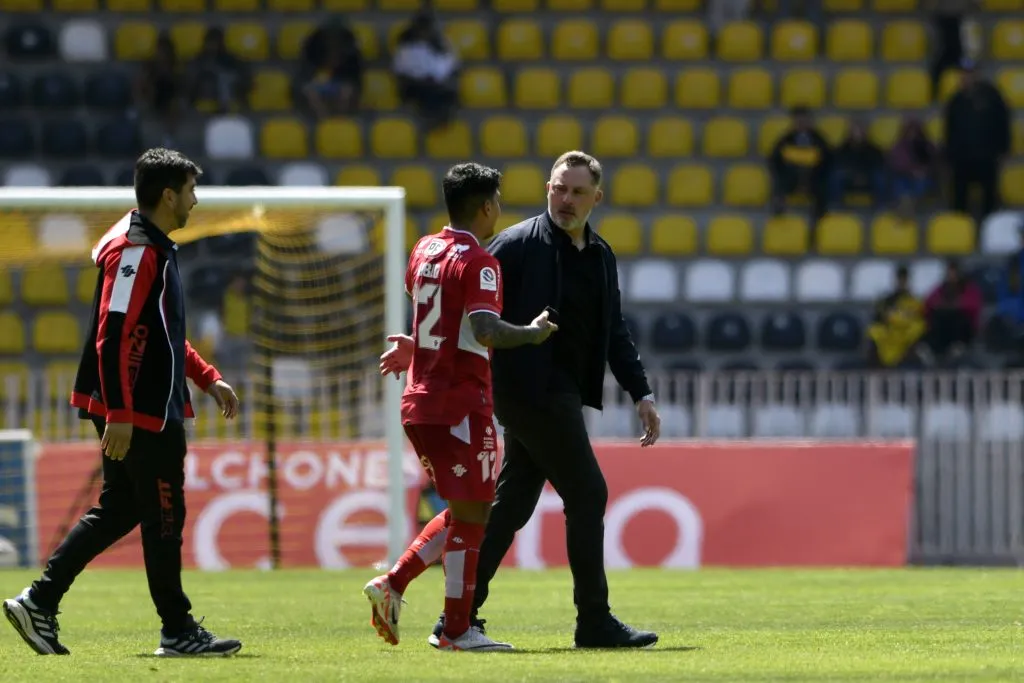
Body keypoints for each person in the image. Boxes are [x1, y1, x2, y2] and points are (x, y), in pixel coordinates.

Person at [2, 148, 242, 658]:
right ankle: (177, 630)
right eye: (191, 192)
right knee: (163, 515)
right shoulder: (137, 250)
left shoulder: (148, 243)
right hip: (141, 410)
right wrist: (121, 414)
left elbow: (161, 335)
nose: (196, 202)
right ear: (169, 195)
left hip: (140, 405)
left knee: (122, 509)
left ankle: (38, 601)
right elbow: (114, 336)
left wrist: (206, 378)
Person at [428, 151, 661, 649]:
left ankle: (457, 615)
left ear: (598, 198)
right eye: (558, 189)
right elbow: (464, 299)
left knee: (510, 506)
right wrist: (422, 345)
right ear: (547, 189)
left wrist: (641, 391)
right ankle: (593, 621)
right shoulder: (512, 246)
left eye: (577, 192)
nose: (565, 200)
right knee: (589, 493)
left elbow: (613, 331)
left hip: (560, 394)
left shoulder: (600, 255)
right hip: (528, 392)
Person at [367, 162, 558, 652]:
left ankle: (398, 586)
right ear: (486, 206)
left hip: (419, 399)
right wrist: (533, 333)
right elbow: (485, 328)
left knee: (466, 509)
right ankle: (454, 628)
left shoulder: (424, 249)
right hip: (460, 401)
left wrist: (418, 348)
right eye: (496, 201)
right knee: (474, 514)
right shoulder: (480, 262)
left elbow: (435, 315)